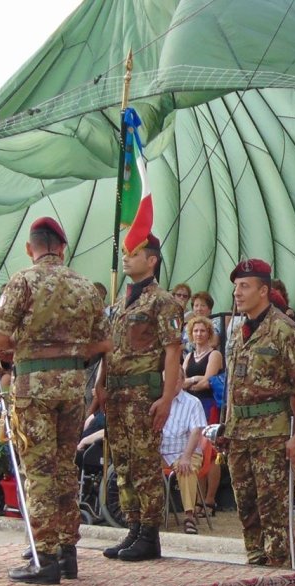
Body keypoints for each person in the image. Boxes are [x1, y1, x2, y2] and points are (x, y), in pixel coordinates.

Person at [0, 217, 107, 584]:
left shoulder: (22, 281)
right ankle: (67, 551)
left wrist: (26, 348)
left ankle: (45, 558)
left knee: (38, 471)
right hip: (73, 386)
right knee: (65, 468)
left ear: (31, 247)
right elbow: (104, 342)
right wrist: (71, 351)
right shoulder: (86, 286)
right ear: (63, 247)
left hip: (33, 386)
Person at [95, 232, 183, 563]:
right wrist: (100, 384)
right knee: (124, 464)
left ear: (152, 260)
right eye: (124, 252)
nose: (126, 257)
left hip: (143, 393)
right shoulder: (119, 302)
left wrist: (168, 397)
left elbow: (173, 351)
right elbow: (108, 349)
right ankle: (133, 526)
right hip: (116, 392)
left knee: (145, 463)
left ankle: (149, 533)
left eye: (134, 252)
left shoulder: (163, 301)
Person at [220, 258, 295, 568]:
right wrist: (225, 426)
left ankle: (280, 570)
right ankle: (255, 561)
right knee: (246, 505)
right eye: (236, 287)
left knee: (273, 506)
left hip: (271, 432)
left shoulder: (287, 331)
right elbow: (233, 382)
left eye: (244, 286)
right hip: (238, 431)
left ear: (264, 290)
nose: (237, 293)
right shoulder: (238, 331)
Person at [159, 377, 209, 534]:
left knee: (185, 468)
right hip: (161, 453)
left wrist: (186, 456)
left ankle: (189, 516)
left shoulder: (192, 402)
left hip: (186, 451)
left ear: (181, 381)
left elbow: (196, 432)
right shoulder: (156, 400)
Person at [181, 316, 224, 421]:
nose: (199, 334)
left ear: (209, 333)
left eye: (202, 331)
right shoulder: (189, 356)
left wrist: (189, 383)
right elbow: (181, 383)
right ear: (191, 334)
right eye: (196, 331)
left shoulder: (215, 354)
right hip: (189, 404)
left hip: (207, 404)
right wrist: (195, 379)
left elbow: (206, 383)